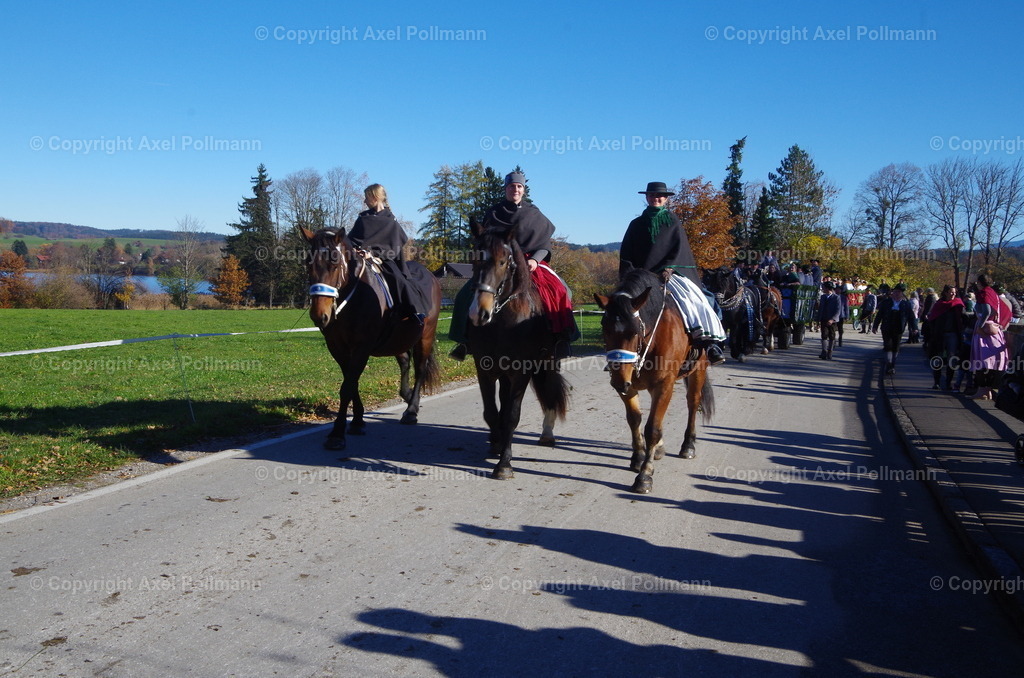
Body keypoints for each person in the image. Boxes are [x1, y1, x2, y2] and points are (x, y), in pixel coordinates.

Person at [448, 171, 577, 361]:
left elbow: (544, 245)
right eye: (511, 186)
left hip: (530, 262)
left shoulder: (534, 214)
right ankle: (465, 340)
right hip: (499, 264)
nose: (515, 189)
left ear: (523, 189)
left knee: (561, 289)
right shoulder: (494, 212)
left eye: (519, 186)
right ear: (505, 189)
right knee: (464, 295)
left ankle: (560, 338)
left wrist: (535, 260)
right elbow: (486, 241)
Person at [619, 181, 726, 365]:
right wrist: (629, 276)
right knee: (619, 308)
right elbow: (626, 253)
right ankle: (618, 350)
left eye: (659, 196)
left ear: (666, 199)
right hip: (641, 277)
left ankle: (709, 344)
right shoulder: (636, 224)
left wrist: (670, 267)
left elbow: (679, 249)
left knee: (698, 300)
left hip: (668, 274)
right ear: (647, 197)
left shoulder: (673, 221)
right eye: (652, 195)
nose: (656, 198)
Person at [348, 184, 433, 322]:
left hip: (384, 261)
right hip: (359, 259)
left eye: (367, 197)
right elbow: (351, 240)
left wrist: (373, 255)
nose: (364, 201)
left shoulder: (390, 221)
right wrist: (355, 250)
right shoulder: (363, 219)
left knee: (399, 280)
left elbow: (394, 247)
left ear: (375, 197)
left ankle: (415, 312)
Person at [967, 274, 1010, 399]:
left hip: (984, 330)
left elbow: (986, 311)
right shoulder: (992, 292)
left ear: (980, 283)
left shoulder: (983, 293)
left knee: (980, 361)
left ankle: (982, 391)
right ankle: (987, 390)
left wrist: (980, 327)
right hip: (994, 329)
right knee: (992, 362)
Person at [926, 285, 964, 390]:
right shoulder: (939, 304)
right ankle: (937, 382)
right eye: (951, 292)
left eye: (954, 292)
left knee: (952, 358)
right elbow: (932, 319)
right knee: (938, 358)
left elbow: (963, 318)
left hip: (953, 334)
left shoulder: (958, 304)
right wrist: (934, 332)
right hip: (940, 335)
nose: (953, 294)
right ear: (946, 292)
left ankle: (948, 382)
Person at [876, 283, 915, 374]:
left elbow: (911, 317)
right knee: (888, 346)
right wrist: (875, 326)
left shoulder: (906, 304)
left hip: (898, 328)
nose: (897, 294)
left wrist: (914, 328)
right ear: (892, 293)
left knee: (896, 347)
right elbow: (879, 315)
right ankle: (889, 364)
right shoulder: (886, 302)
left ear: (902, 294)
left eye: (899, 292)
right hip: (887, 327)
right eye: (895, 292)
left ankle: (893, 364)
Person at [817, 281, 842, 360]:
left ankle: (830, 352)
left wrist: (832, 319)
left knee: (832, 335)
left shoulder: (836, 297)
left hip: (832, 320)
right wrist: (818, 319)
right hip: (824, 319)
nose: (823, 289)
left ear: (828, 288)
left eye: (824, 287)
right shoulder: (823, 297)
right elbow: (820, 308)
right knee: (824, 335)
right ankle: (824, 351)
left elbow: (838, 310)